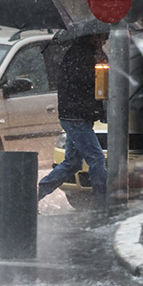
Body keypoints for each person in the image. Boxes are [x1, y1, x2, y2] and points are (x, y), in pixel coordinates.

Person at [37, 32, 109, 206]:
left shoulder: (85, 54)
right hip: (76, 117)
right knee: (96, 158)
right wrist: (99, 68)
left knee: (72, 162)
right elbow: (88, 84)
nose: (104, 41)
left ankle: (36, 194)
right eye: (102, 37)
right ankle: (102, 201)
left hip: (76, 116)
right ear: (93, 37)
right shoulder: (80, 56)